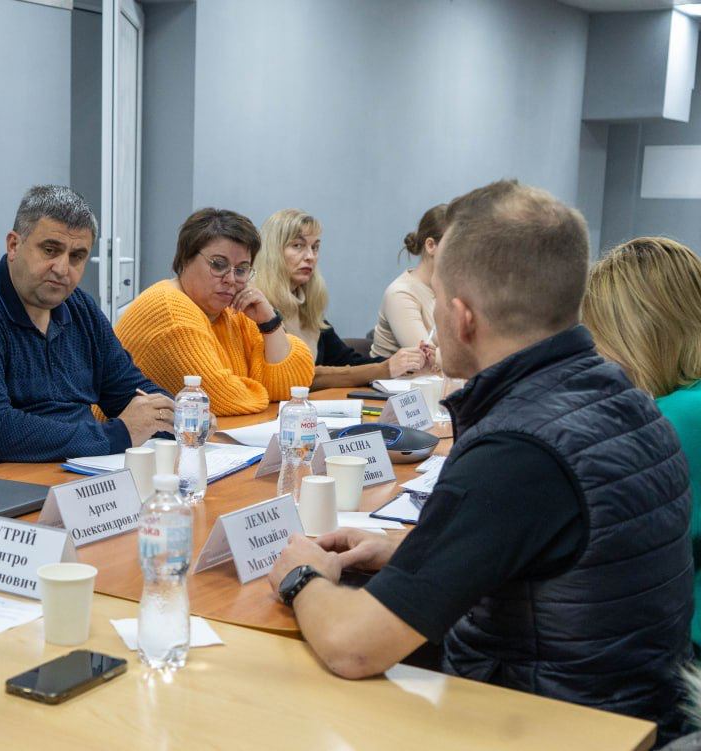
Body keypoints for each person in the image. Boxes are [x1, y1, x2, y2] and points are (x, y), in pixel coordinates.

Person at [267, 180, 692, 744]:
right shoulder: (621, 399)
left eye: (438, 300)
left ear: (463, 317)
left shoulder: (518, 447)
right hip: (628, 714)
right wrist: (412, 554)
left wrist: (302, 576)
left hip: (544, 726)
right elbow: (556, 560)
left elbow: (353, 646)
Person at [0, 185, 174, 465]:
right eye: (49, 250)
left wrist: (181, 415)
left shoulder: (81, 308)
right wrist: (116, 434)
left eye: (76, 256)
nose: (62, 268)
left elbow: (129, 389)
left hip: (83, 469)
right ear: (13, 245)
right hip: (2, 480)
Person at [582, 236, 701, 652]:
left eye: (598, 336)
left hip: (679, 646)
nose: (596, 355)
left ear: (638, 332)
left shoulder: (676, 418)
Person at [114, 208, 314, 415]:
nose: (231, 279)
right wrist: (261, 388)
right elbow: (222, 400)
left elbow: (292, 386)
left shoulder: (234, 308)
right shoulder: (169, 309)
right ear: (185, 259)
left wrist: (269, 322)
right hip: (121, 435)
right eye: (218, 265)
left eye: (241, 269)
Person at [251, 208, 434, 388]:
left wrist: (404, 365)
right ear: (273, 252)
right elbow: (299, 375)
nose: (310, 256)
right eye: (297, 246)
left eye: (315, 247)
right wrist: (385, 369)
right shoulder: (257, 310)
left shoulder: (306, 308)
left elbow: (347, 361)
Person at [371, 203, 446, 358]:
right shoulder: (400, 294)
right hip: (406, 374)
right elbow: (427, 359)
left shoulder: (452, 289)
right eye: (456, 245)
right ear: (431, 245)